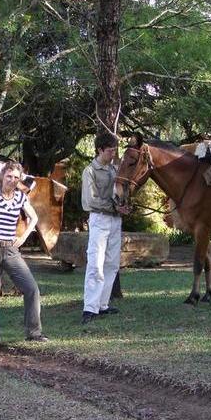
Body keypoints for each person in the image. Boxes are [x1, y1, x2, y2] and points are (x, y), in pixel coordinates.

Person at [0, 161, 48, 350]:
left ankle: (34, 333)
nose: (12, 180)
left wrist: (23, 237)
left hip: (10, 250)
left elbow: (35, 218)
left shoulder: (20, 198)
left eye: (16, 177)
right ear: (2, 176)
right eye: (9, 176)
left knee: (31, 288)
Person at [81, 132, 129, 324]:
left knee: (112, 264)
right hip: (99, 219)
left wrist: (124, 205)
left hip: (115, 220)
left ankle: (102, 305)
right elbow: (88, 201)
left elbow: (120, 192)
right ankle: (89, 308)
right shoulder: (90, 171)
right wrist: (114, 206)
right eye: (110, 150)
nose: (113, 154)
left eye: (114, 150)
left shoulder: (114, 169)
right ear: (100, 149)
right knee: (95, 263)